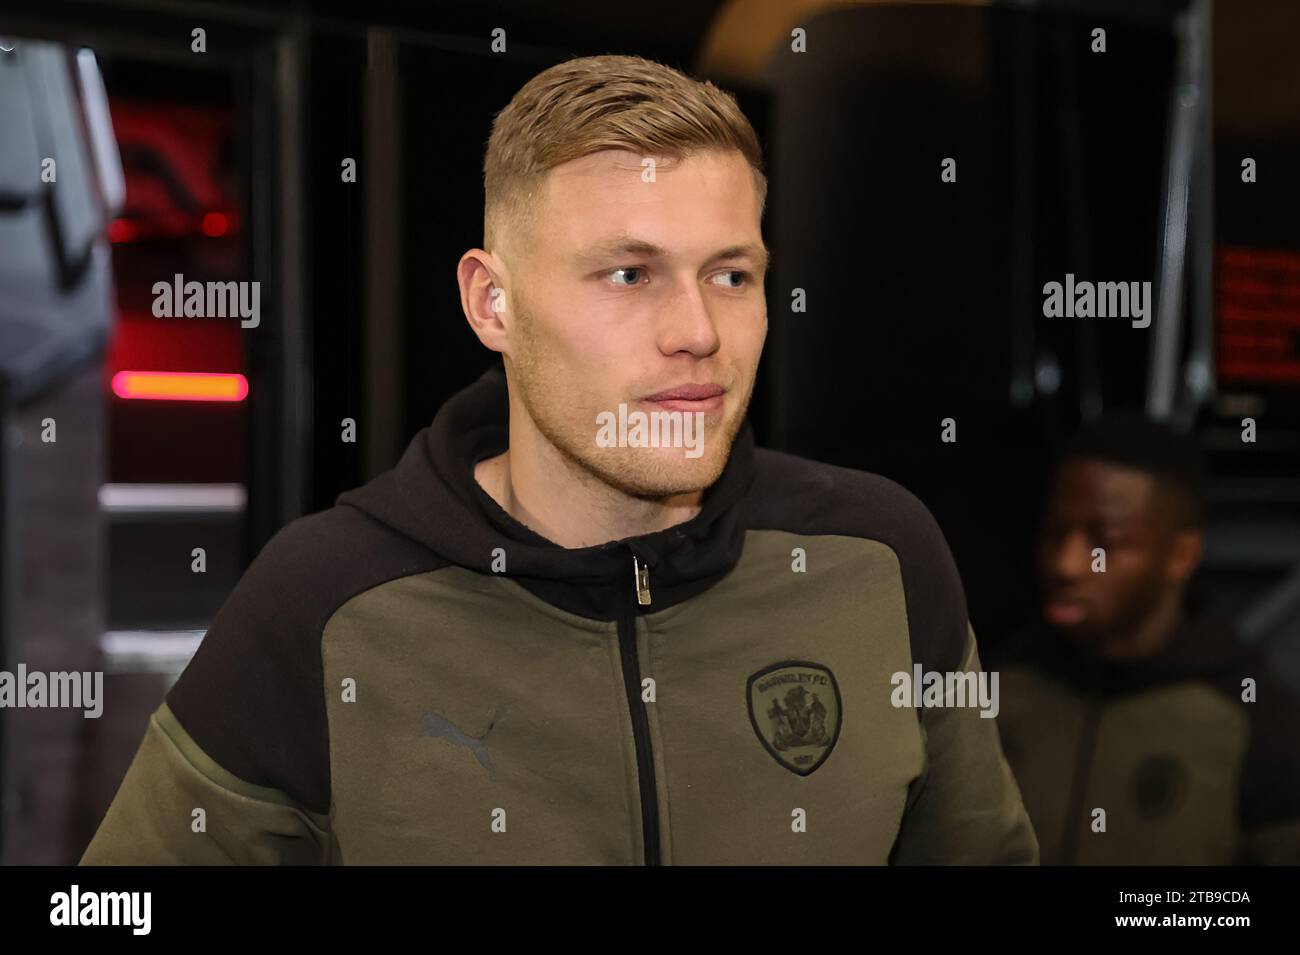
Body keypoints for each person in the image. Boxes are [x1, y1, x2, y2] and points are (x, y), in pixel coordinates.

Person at [81, 54, 1036, 865]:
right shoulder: (327, 599)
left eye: (730, 275)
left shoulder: (877, 553)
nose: (698, 331)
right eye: (631, 273)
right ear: (492, 303)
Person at [994, 413, 1300, 864]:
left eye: (1106, 543)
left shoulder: (1254, 723)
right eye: (1055, 534)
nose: (1066, 564)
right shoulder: (996, 691)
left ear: (1180, 555)